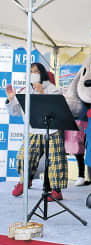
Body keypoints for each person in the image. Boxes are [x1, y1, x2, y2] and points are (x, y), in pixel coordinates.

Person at [6, 62, 68, 201]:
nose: (33, 74)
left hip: (51, 130)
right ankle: (24, 181)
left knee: (55, 161)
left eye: (36, 71)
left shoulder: (52, 89)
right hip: (33, 129)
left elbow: (57, 108)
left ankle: (56, 190)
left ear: (42, 73)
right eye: (31, 71)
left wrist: (42, 92)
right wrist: (10, 100)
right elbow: (15, 112)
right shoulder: (23, 90)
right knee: (24, 156)